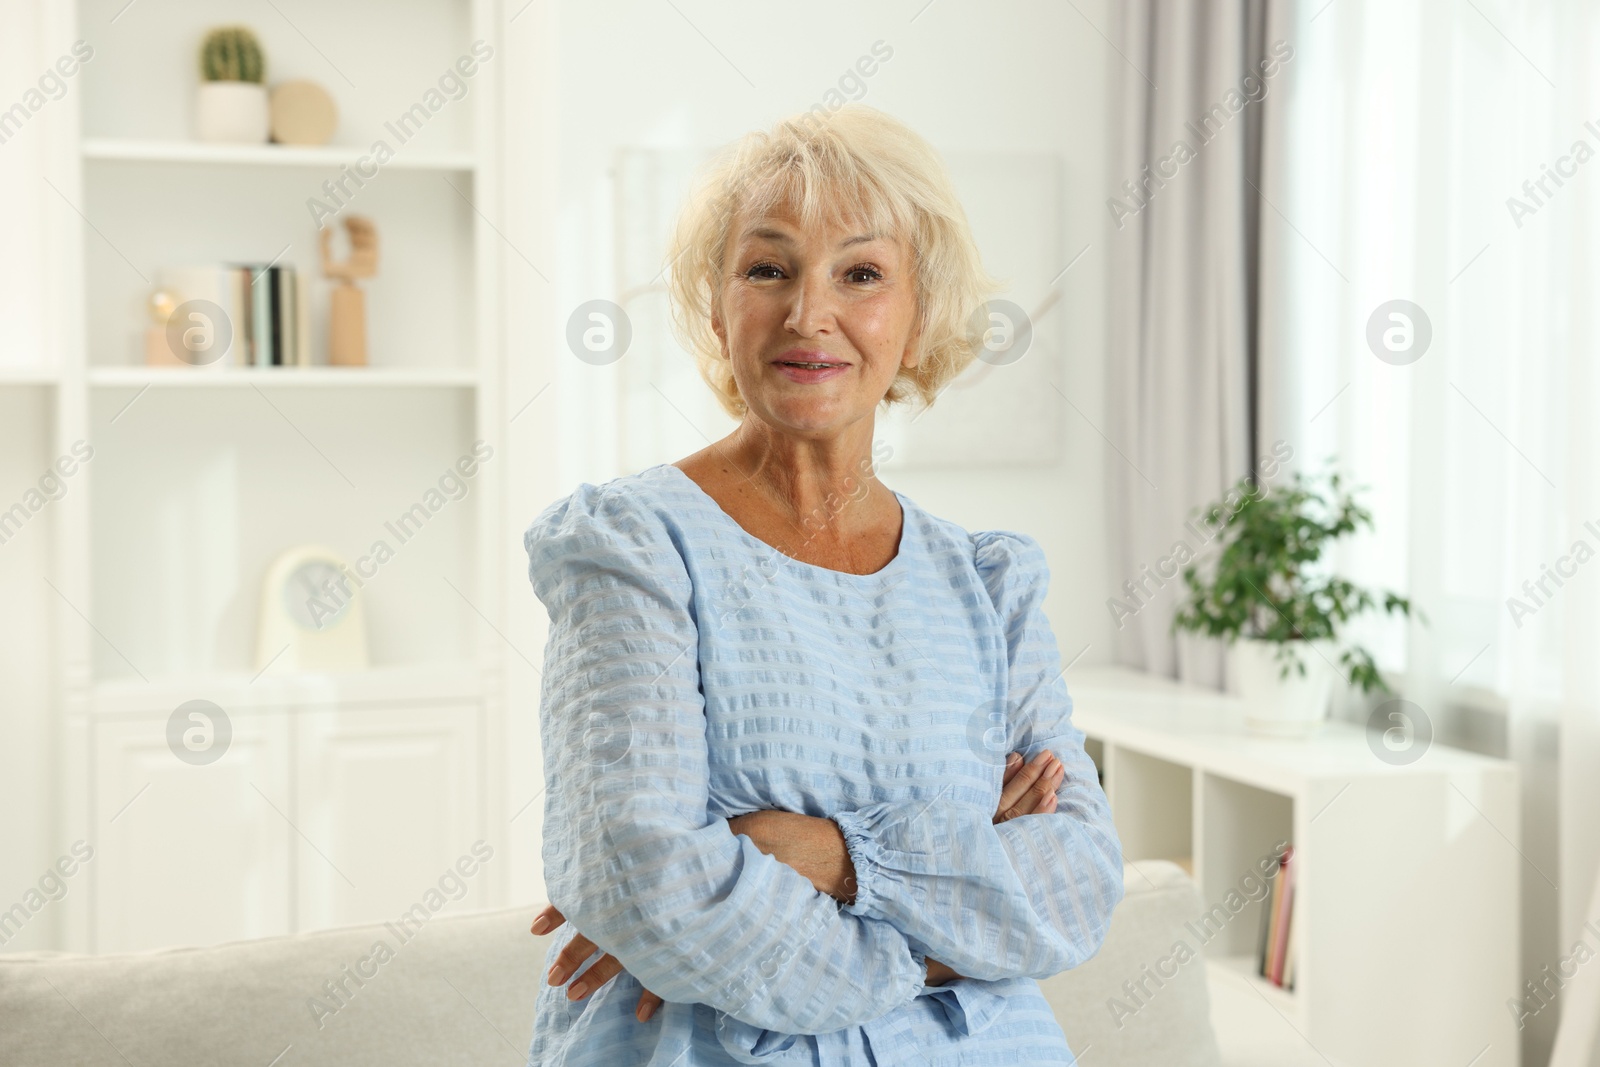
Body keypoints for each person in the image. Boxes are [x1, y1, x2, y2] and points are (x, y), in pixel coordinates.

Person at [522, 104, 1124, 1066]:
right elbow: (645, 885)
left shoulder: (988, 583)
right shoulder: (634, 545)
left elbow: (1077, 884)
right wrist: (953, 931)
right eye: (768, 269)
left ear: (918, 314)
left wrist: (831, 858)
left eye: (862, 273)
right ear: (716, 308)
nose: (810, 314)